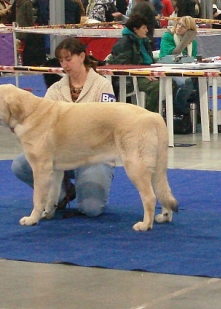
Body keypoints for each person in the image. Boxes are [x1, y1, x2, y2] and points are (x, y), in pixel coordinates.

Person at [11, 38, 116, 218]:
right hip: (60, 154)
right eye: (61, 61)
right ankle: (61, 195)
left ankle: (82, 188)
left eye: (68, 59)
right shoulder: (55, 90)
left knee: (91, 209)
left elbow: (108, 124)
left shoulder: (102, 85)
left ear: (82, 56)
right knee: (20, 165)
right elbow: (42, 123)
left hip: (94, 155)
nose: (64, 65)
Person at [109, 14, 161, 112]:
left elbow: (150, 61)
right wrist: (142, 73)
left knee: (171, 84)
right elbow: (122, 65)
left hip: (147, 73)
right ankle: (149, 117)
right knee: (156, 87)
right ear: (135, 29)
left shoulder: (144, 41)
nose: (146, 30)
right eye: (144, 28)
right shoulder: (124, 43)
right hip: (131, 79)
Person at [158, 15, 199, 116]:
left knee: (202, 81)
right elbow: (173, 55)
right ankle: (179, 111)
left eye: (183, 26)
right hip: (168, 69)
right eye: (179, 24)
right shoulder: (168, 36)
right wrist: (185, 41)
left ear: (189, 31)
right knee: (187, 83)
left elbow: (192, 59)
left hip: (186, 70)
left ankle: (198, 115)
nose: (179, 27)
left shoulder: (193, 43)